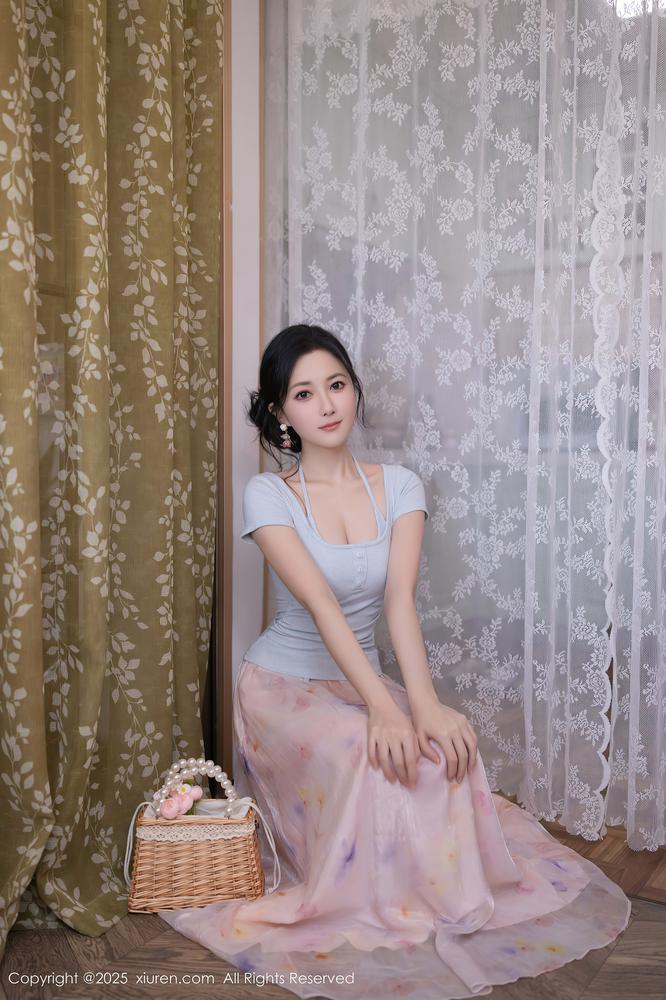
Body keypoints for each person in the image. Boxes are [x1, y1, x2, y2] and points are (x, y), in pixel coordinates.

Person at [160, 324, 631, 1000]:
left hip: (358, 677)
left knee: (439, 749)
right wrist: (383, 708)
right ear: (280, 413)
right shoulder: (269, 495)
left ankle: (425, 891)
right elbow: (322, 605)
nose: (327, 404)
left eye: (336, 385)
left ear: (354, 390)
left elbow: (399, 603)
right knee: (368, 750)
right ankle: (370, 897)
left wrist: (425, 705)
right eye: (304, 393)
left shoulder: (402, 486)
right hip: (282, 686)